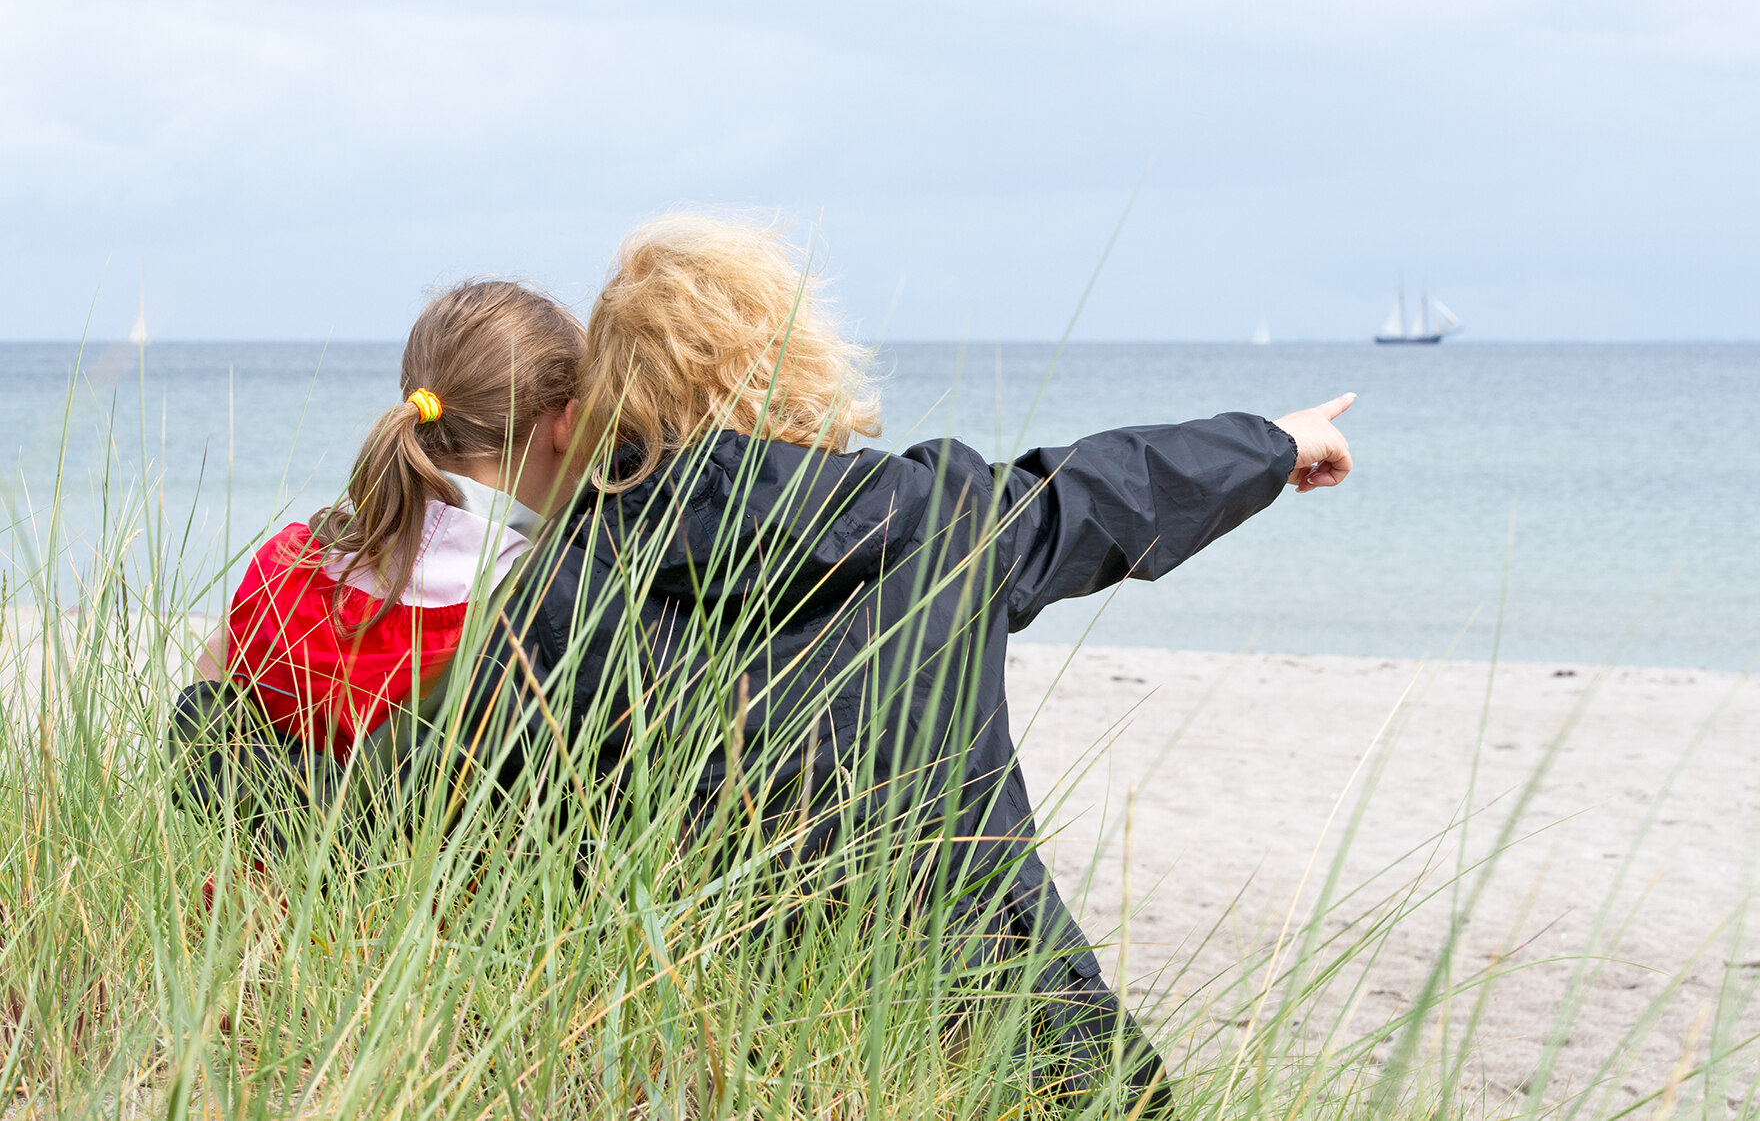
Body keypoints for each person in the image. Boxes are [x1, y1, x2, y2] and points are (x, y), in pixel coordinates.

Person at [458, 214, 1356, 1113]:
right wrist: (1271, 443)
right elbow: (1102, 493)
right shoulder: (936, 518)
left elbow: (463, 822)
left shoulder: (553, 592)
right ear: (795, 359)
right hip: (997, 1018)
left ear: (614, 389)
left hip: (706, 1049)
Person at [172, 279, 590, 841]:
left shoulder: (291, 560)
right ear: (567, 424)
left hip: (239, 920)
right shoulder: (539, 601)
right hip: (440, 923)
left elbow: (205, 705)